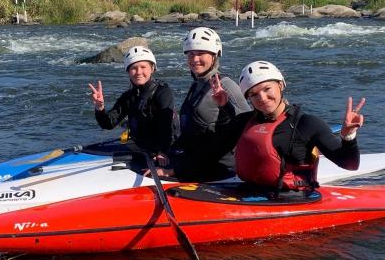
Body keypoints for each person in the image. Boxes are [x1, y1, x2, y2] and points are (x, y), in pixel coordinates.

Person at [210, 60, 365, 191]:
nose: (262, 98)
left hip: (292, 199)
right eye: (254, 94)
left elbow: (350, 164)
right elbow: (218, 148)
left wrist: (348, 136)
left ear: (281, 85)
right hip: (249, 193)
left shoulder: (307, 124)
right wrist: (224, 106)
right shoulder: (244, 122)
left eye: (267, 89)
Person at [148, 27, 250, 181]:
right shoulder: (196, 85)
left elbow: (247, 129)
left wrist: (175, 171)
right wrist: (167, 152)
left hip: (219, 171)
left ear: (215, 56)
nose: (195, 59)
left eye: (201, 54)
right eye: (191, 54)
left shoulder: (227, 86)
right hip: (194, 162)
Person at [88, 46, 177, 167]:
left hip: (164, 150)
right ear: (128, 72)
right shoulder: (129, 96)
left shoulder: (163, 92)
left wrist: (163, 152)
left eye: (143, 67)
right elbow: (108, 124)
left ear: (152, 68)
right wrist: (100, 108)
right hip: (141, 148)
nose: (139, 72)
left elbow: (167, 126)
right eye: (134, 68)